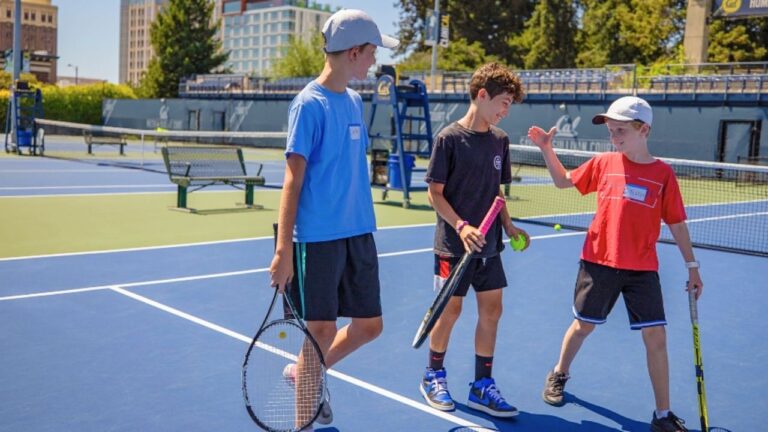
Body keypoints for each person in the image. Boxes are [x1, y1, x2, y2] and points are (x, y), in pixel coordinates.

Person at [527, 96, 704, 432]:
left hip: (642, 270)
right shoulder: (603, 162)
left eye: (620, 130)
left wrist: (692, 266)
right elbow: (564, 181)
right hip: (598, 263)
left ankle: (662, 415)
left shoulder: (663, 174)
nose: (614, 136)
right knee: (583, 326)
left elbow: (677, 223)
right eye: (611, 130)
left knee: (656, 337)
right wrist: (547, 149)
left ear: (644, 129)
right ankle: (559, 373)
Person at [269, 9, 398, 430]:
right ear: (354, 52)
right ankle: (304, 419)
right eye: (371, 54)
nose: (374, 63)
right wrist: (283, 250)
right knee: (319, 331)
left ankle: (304, 371)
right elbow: (292, 181)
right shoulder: (308, 104)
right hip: (318, 238)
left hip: (358, 233)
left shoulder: (355, 101)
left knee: (369, 326)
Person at [420, 62, 530, 418]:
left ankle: (482, 385)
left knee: (492, 311)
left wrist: (509, 227)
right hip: (453, 246)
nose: (505, 110)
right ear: (481, 95)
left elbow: (495, 191)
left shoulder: (500, 141)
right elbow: (434, 194)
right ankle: (433, 374)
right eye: (502, 102)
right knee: (450, 311)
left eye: (510, 104)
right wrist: (462, 226)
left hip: (490, 246)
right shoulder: (449, 139)